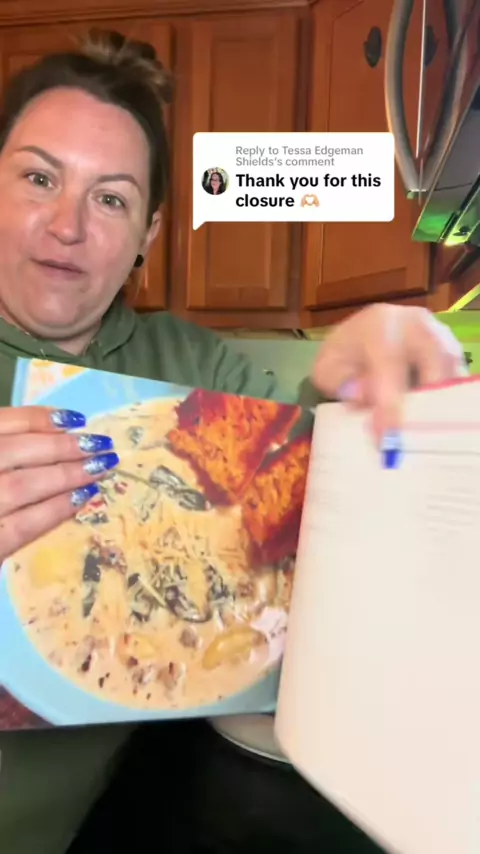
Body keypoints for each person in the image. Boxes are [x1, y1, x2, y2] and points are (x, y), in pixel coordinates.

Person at [0, 27, 466, 854]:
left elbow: (306, 498)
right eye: (40, 178)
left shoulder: (191, 367)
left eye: (111, 198)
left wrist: (351, 383)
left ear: (148, 233)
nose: (67, 225)